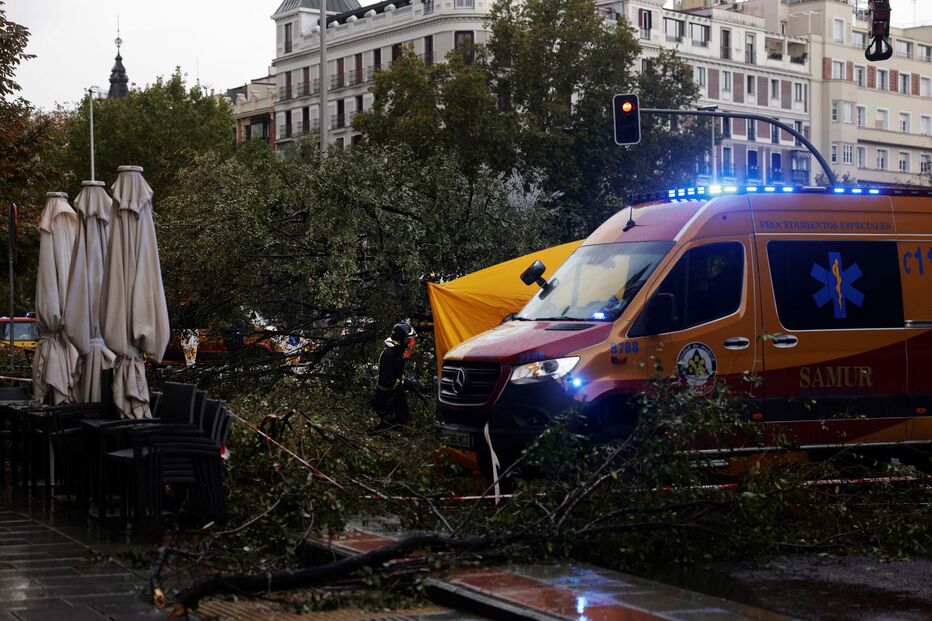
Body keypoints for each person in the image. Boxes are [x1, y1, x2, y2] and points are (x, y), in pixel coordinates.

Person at [372, 322, 416, 430]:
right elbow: (386, 380)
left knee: (402, 417)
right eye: (407, 340)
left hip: (395, 392)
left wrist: (403, 379)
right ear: (400, 338)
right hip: (387, 397)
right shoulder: (389, 354)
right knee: (387, 425)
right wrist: (402, 382)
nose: (409, 342)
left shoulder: (396, 352)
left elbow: (395, 372)